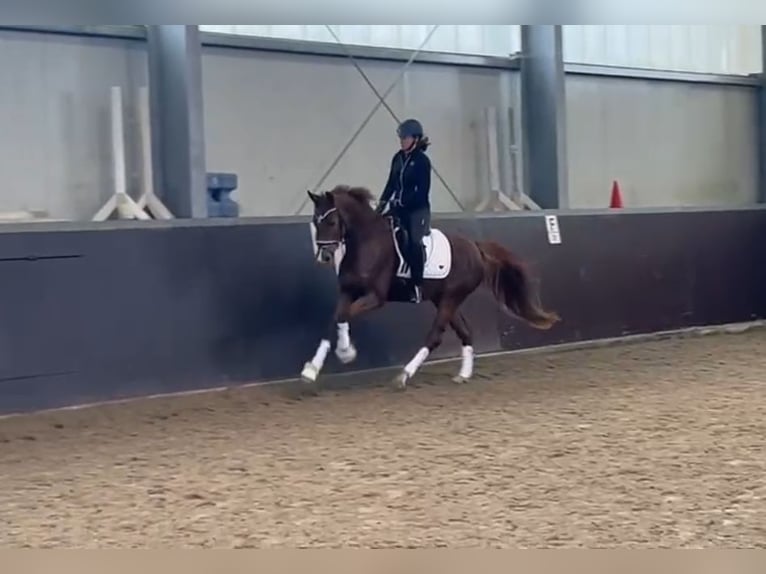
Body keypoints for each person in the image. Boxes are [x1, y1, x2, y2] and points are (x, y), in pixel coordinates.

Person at [375, 118, 432, 303]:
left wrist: (402, 201)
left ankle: (416, 285)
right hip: (398, 208)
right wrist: (382, 204)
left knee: (413, 242)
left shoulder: (422, 161)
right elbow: (391, 183)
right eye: (401, 137)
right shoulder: (398, 158)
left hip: (417, 211)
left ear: (415, 139)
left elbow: (422, 191)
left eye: (405, 137)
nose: (402, 141)